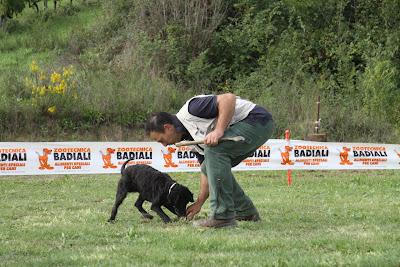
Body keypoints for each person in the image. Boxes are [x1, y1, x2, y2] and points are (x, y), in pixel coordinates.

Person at [145, 93, 274, 228]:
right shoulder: (190, 141)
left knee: (214, 150)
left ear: (168, 127)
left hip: (257, 119)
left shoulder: (192, 109)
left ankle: (222, 216)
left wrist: (218, 131)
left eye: (161, 140)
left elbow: (228, 99)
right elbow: (208, 171)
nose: (164, 145)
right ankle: (246, 212)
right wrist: (199, 203)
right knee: (210, 163)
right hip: (256, 126)